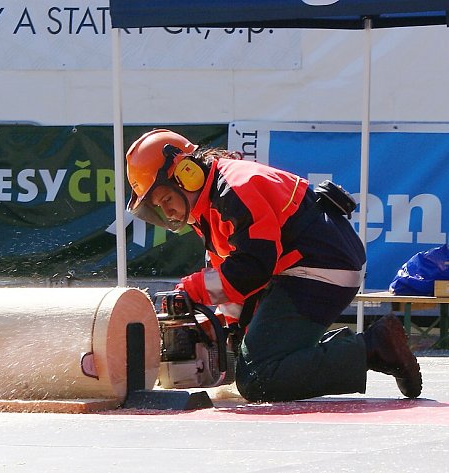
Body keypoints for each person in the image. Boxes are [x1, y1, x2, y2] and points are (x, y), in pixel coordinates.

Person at [125, 128, 422, 401]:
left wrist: (194, 289)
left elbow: (253, 268)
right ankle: (346, 348)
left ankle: (374, 348)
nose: (168, 211)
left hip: (319, 267)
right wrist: (226, 328)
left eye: (165, 199)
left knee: (259, 378)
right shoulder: (208, 207)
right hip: (295, 268)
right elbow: (234, 277)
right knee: (245, 357)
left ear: (186, 173)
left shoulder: (236, 188)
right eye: (158, 207)